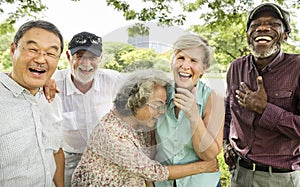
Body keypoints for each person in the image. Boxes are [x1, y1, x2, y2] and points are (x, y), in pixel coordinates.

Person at [71, 69, 219, 187]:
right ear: (136, 101)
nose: (161, 113)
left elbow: (147, 159)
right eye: (157, 106)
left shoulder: (138, 125)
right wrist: (204, 167)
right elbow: (154, 171)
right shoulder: (112, 134)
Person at [223, 3, 300, 186]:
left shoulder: (297, 68)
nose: (263, 28)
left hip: (281, 178)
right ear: (248, 35)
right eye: (255, 25)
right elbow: (228, 112)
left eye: (273, 24)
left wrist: (265, 109)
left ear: (286, 35)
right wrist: (226, 143)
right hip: (240, 174)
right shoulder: (236, 67)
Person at [51, 31, 121, 186]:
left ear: (100, 59)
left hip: (105, 159)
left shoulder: (114, 80)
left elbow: (144, 88)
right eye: (80, 56)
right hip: (69, 160)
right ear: (69, 57)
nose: (86, 63)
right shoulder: (53, 82)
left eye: (92, 57)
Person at [154, 33, 225, 187]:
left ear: (203, 69)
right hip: (163, 183)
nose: (185, 66)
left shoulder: (214, 100)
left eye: (193, 60)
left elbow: (209, 155)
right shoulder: (158, 94)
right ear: (172, 62)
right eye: (181, 58)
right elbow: (150, 146)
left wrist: (194, 116)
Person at [0, 20, 64, 186]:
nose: (41, 59)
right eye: (33, 49)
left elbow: (56, 151)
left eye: (50, 54)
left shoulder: (52, 98)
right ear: (13, 50)